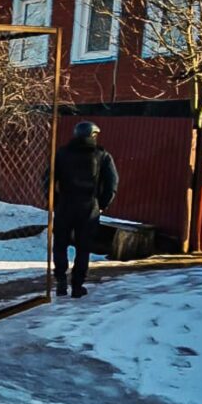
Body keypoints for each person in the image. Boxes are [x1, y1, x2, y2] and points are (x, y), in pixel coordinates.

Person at [51, 121, 118, 298]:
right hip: (88, 207)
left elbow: (48, 179)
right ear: (93, 136)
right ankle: (77, 286)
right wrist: (102, 204)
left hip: (65, 205)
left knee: (60, 244)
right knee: (83, 247)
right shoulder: (102, 155)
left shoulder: (62, 153)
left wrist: (54, 201)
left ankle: (61, 282)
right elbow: (112, 184)